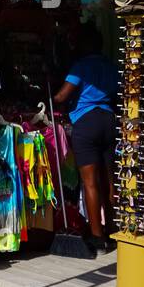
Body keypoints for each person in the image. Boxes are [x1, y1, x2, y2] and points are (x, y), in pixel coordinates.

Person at [52, 22, 118, 253]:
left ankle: (97, 237)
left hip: (86, 123)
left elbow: (62, 96)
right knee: (109, 180)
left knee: (90, 182)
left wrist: (51, 93)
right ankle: (112, 230)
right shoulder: (110, 66)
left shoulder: (81, 67)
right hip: (109, 120)